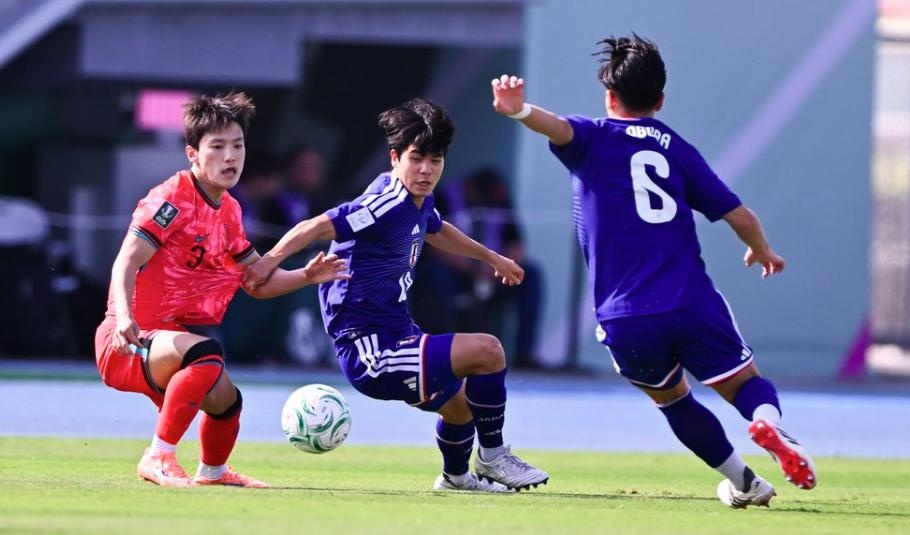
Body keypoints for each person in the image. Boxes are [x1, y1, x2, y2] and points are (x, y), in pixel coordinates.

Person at [491, 34, 817, 508]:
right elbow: (739, 215)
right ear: (660, 100)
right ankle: (773, 426)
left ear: (609, 96)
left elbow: (556, 127)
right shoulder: (677, 148)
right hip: (691, 301)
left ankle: (744, 482)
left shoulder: (595, 136)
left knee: (673, 400)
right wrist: (762, 250)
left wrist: (517, 109)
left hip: (625, 317)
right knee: (744, 384)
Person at [245, 98, 549, 492]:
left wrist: (493, 257)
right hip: (370, 348)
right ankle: (494, 457)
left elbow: (438, 229)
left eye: (435, 160)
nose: (426, 169)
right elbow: (317, 226)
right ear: (395, 157)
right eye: (416, 158)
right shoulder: (385, 203)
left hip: (397, 333)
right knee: (488, 351)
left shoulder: (417, 200)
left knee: (460, 410)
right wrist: (269, 261)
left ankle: (456, 478)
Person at [94, 91, 349, 489]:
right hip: (127, 340)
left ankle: (212, 473)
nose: (231, 157)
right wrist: (125, 317)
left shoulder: (229, 210)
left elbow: (254, 283)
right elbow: (125, 260)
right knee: (206, 353)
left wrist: (306, 276)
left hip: (168, 342)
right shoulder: (170, 200)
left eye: (238, 145)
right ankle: (158, 456)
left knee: (226, 401)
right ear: (193, 153)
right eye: (218, 147)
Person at [420, 167, 544, 368]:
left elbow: (516, 243)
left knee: (531, 275)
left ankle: (525, 354)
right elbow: (434, 242)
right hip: (456, 270)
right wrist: (473, 267)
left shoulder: (499, 200)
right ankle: (445, 352)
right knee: (435, 274)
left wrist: (499, 265)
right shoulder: (442, 199)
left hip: (492, 271)